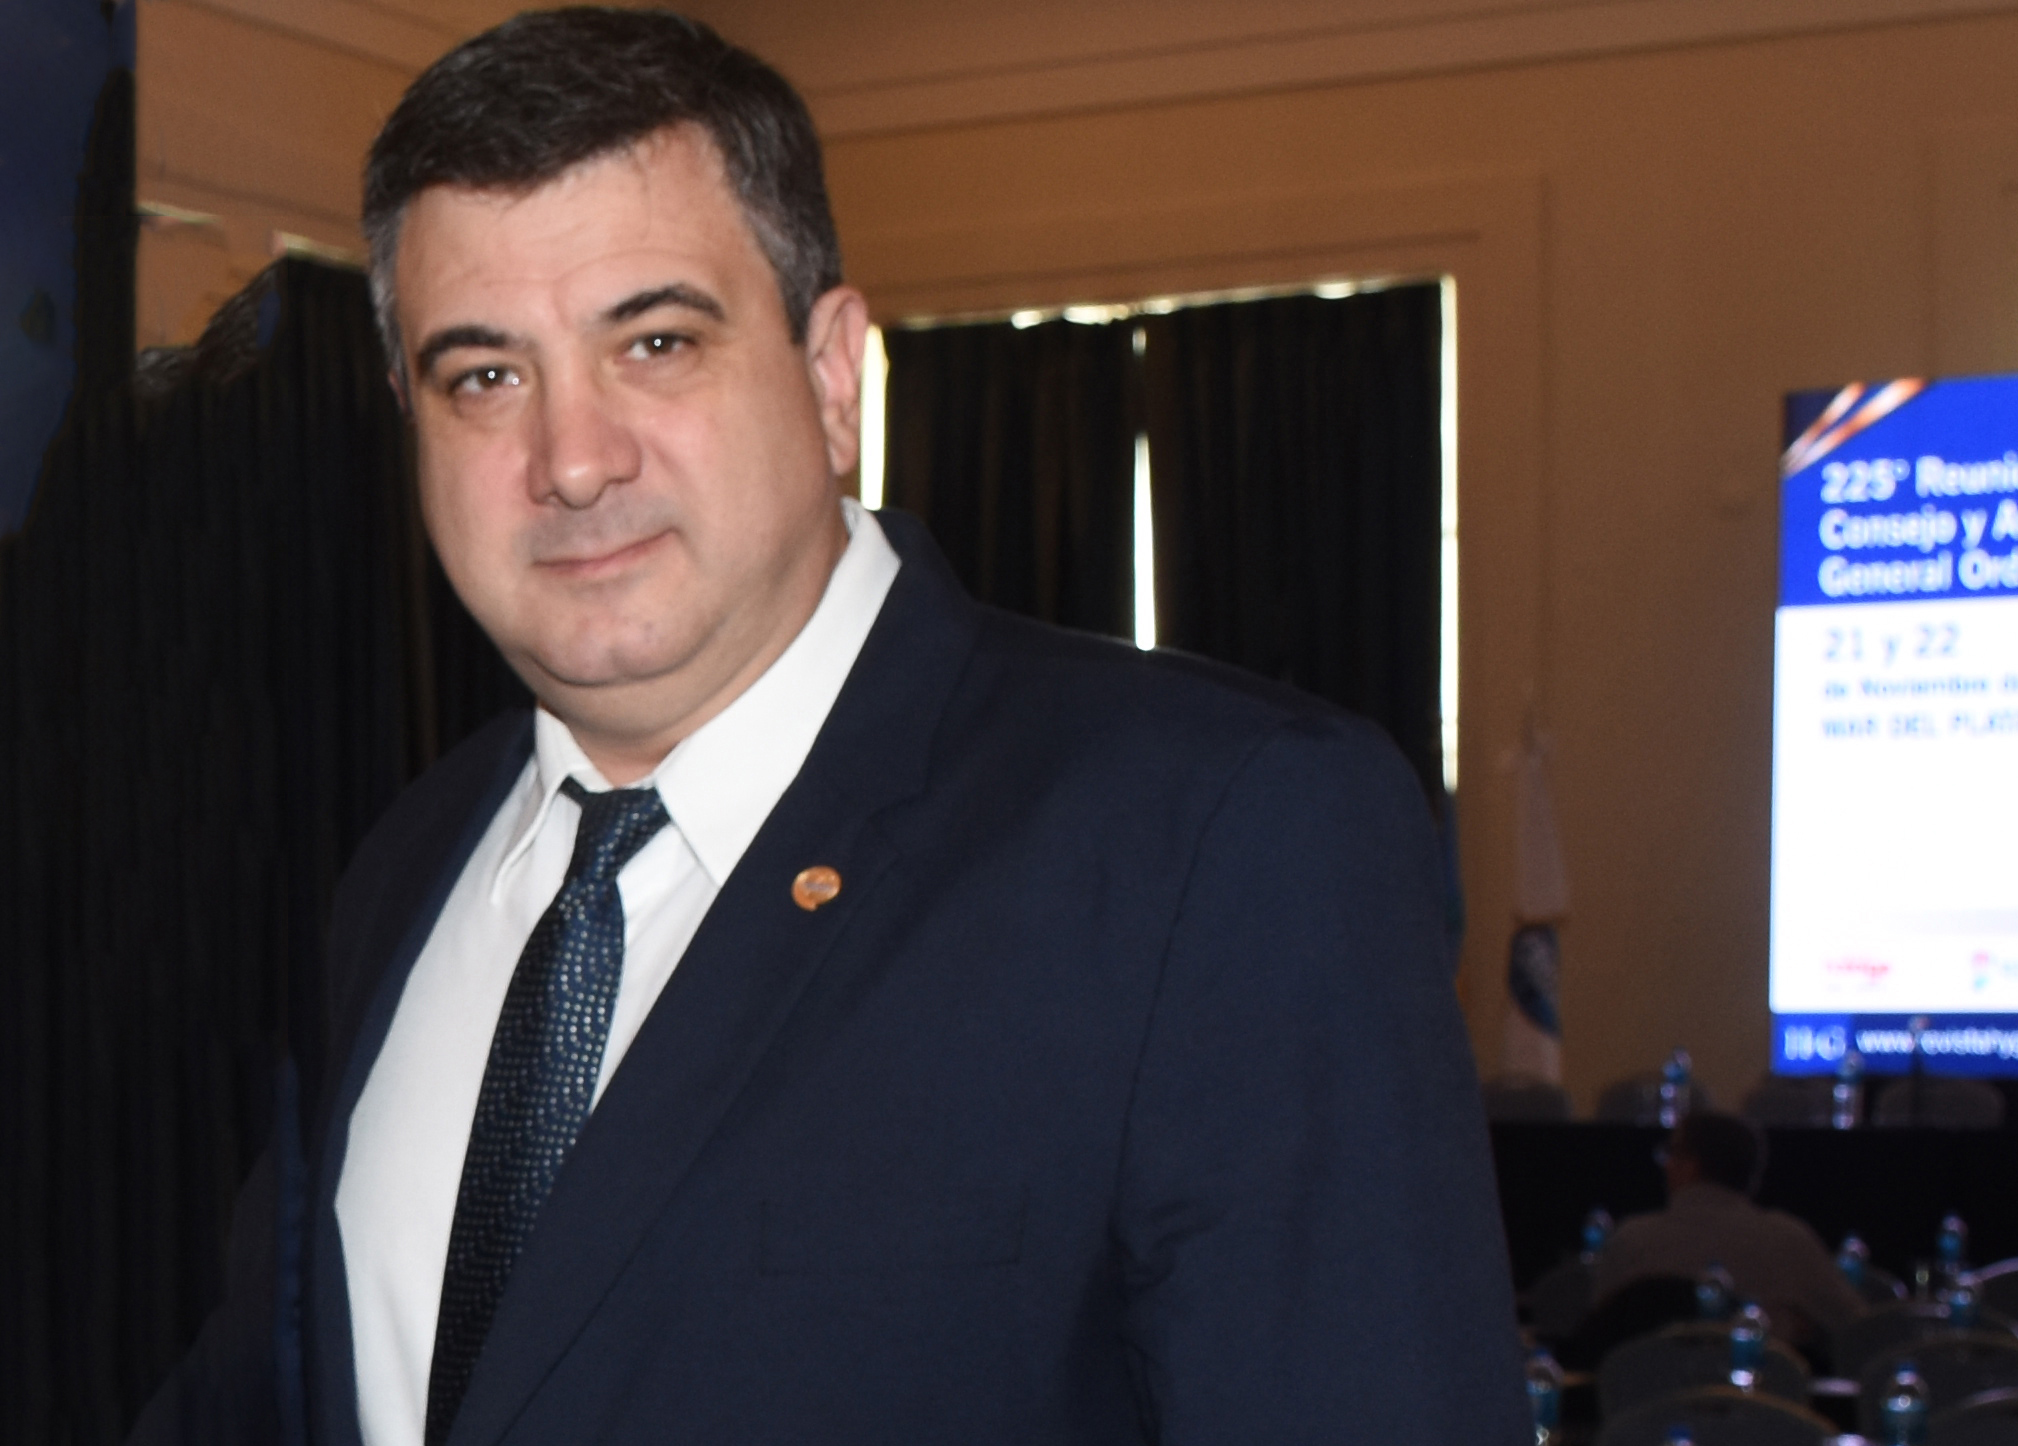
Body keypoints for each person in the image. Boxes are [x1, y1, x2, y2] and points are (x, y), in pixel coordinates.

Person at [130, 9, 1525, 1443]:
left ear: (829, 373)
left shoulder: (1222, 841)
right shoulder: (402, 865)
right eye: (484, 375)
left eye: (655, 341)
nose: (572, 459)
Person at [1589, 1112, 1865, 1355]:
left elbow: (1597, 1338)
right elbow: (1858, 1329)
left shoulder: (1631, 1240)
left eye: (1671, 1153)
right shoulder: (1789, 1239)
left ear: (1690, 1165)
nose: (1665, 1164)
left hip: (1649, 1396)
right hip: (1762, 1398)